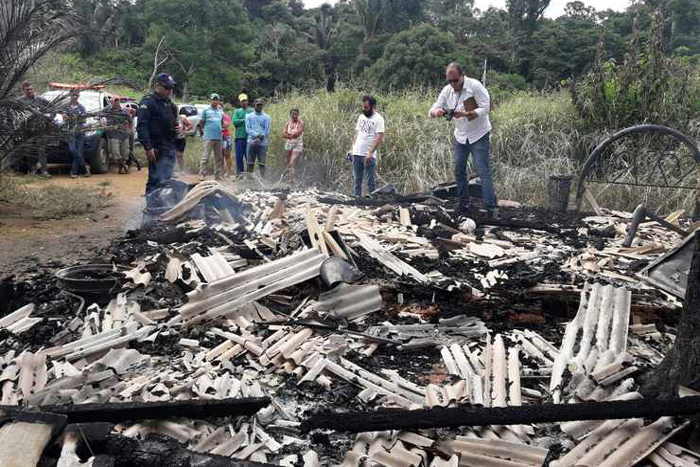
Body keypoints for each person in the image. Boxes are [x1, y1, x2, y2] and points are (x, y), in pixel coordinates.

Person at [429, 62, 497, 217]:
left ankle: (491, 207)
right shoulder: (447, 91)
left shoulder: (475, 86)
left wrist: (466, 114)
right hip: (461, 136)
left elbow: (486, 107)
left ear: (462, 76)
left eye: (455, 81)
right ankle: (464, 204)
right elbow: (432, 109)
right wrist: (437, 112)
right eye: (449, 81)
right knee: (459, 170)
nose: (453, 85)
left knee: (482, 170)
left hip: (479, 134)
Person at [137, 73, 180, 201]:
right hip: (156, 148)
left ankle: (164, 207)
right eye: (167, 88)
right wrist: (147, 147)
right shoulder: (148, 102)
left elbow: (174, 123)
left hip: (169, 147)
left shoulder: (170, 104)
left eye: (171, 88)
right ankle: (151, 210)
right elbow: (141, 126)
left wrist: (179, 128)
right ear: (157, 86)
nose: (169, 91)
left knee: (167, 180)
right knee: (155, 179)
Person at [349, 95, 385, 197]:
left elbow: (380, 137)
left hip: (368, 155)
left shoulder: (379, 119)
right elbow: (357, 134)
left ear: (372, 106)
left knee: (370, 181)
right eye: (363, 107)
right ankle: (357, 200)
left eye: (366, 107)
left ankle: (372, 201)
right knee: (357, 180)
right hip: (357, 152)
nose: (364, 109)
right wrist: (352, 148)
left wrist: (370, 152)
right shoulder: (361, 117)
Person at [19, 81, 51, 177]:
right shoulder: (20, 101)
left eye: (31, 89)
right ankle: (32, 171)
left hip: (40, 130)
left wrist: (49, 119)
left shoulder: (41, 100)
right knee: (29, 151)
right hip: (27, 130)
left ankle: (44, 171)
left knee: (41, 150)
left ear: (34, 89)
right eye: (27, 89)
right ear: (23, 90)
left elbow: (53, 108)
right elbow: (15, 114)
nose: (29, 91)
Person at [62, 89, 91, 178]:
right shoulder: (65, 107)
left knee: (79, 151)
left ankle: (73, 172)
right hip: (70, 131)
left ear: (78, 96)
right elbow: (64, 118)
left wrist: (76, 118)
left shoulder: (82, 107)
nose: (75, 96)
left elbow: (84, 120)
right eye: (73, 95)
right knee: (72, 150)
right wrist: (71, 117)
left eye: (77, 95)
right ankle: (85, 165)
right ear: (70, 95)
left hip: (80, 132)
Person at [198, 93, 224, 180]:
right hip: (208, 137)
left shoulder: (220, 111)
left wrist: (221, 129)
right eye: (214, 99)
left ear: (218, 101)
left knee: (219, 158)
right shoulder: (206, 111)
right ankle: (202, 174)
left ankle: (218, 175)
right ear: (211, 100)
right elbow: (201, 123)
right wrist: (202, 132)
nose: (215, 101)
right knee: (205, 156)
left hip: (218, 137)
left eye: (217, 99)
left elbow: (221, 123)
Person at [104, 97, 132, 174]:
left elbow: (130, 121)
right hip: (113, 135)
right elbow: (99, 115)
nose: (115, 102)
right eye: (113, 101)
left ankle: (121, 168)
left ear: (119, 102)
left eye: (117, 101)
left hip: (124, 134)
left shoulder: (124, 112)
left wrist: (129, 130)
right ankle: (124, 166)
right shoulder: (107, 111)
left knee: (125, 153)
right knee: (115, 153)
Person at [245, 98, 271, 178]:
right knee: (250, 163)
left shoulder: (267, 117)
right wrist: (257, 135)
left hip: (262, 143)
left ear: (262, 106)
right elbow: (248, 129)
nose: (259, 106)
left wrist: (261, 136)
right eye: (257, 105)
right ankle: (249, 180)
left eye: (260, 105)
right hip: (251, 142)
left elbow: (267, 130)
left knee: (262, 163)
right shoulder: (248, 116)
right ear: (254, 105)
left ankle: (263, 180)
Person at [232, 94, 253, 179]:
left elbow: (254, 122)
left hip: (249, 138)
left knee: (249, 157)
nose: (244, 102)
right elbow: (234, 122)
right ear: (239, 102)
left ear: (247, 101)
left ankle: (249, 175)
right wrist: (244, 120)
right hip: (239, 137)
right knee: (239, 157)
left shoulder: (251, 111)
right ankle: (239, 174)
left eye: (245, 101)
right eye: (242, 101)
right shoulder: (237, 111)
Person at [282, 108, 304, 182]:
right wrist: (290, 136)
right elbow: (283, 133)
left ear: (298, 115)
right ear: (290, 115)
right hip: (288, 144)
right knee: (288, 163)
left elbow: (298, 133)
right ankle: (290, 178)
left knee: (292, 163)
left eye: (296, 114)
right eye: (293, 114)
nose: (294, 116)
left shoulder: (300, 123)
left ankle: (292, 180)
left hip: (298, 145)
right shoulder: (288, 123)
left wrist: (288, 135)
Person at [174, 111, 194, 176]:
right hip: (171, 139)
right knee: (171, 155)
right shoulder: (168, 117)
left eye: (176, 109)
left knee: (180, 155)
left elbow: (190, 125)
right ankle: (172, 171)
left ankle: (181, 170)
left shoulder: (182, 118)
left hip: (181, 138)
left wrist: (185, 131)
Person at [220, 104, 233, 176]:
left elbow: (226, 125)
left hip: (226, 136)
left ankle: (228, 172)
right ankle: (221, 172)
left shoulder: (226, 116)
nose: (218, 109)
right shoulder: (214, 117)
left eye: (220, 108)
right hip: (218, 137)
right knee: (220, 155)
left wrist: (221, 117)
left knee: (227, 155)